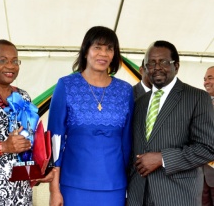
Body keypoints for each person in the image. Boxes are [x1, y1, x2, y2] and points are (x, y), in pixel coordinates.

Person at [48, 26, 134, 206]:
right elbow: (54, 140)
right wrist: (54, 190)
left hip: (114, 186)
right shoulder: (66, 85)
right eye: (98, 47)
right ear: (86, 50)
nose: (103, 53)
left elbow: (127, 142)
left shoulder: (125, 90)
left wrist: (128, 186)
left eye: (109, 48)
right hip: (73, 185)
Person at [0, 39, 54, 206]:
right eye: (2, 60)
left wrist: (41, 169)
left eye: (15, 61)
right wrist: (3, 147)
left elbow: (30, 140)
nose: (10, 66)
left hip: (21, 183)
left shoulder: (23, 96)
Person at [127, 40, 214, 206]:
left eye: (164, 62)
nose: (157, 67)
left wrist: (163, 158)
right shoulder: (139, 102)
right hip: (138, 196)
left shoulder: (197, 98)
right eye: (151, 63)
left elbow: (208, 147)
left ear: (177, 66)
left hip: (176, 196)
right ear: (144, 68)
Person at [202, 66, 214, 206]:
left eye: (210, 78)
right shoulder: (203, 103)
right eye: (205, 79)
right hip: (202, 175)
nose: (206, 82)